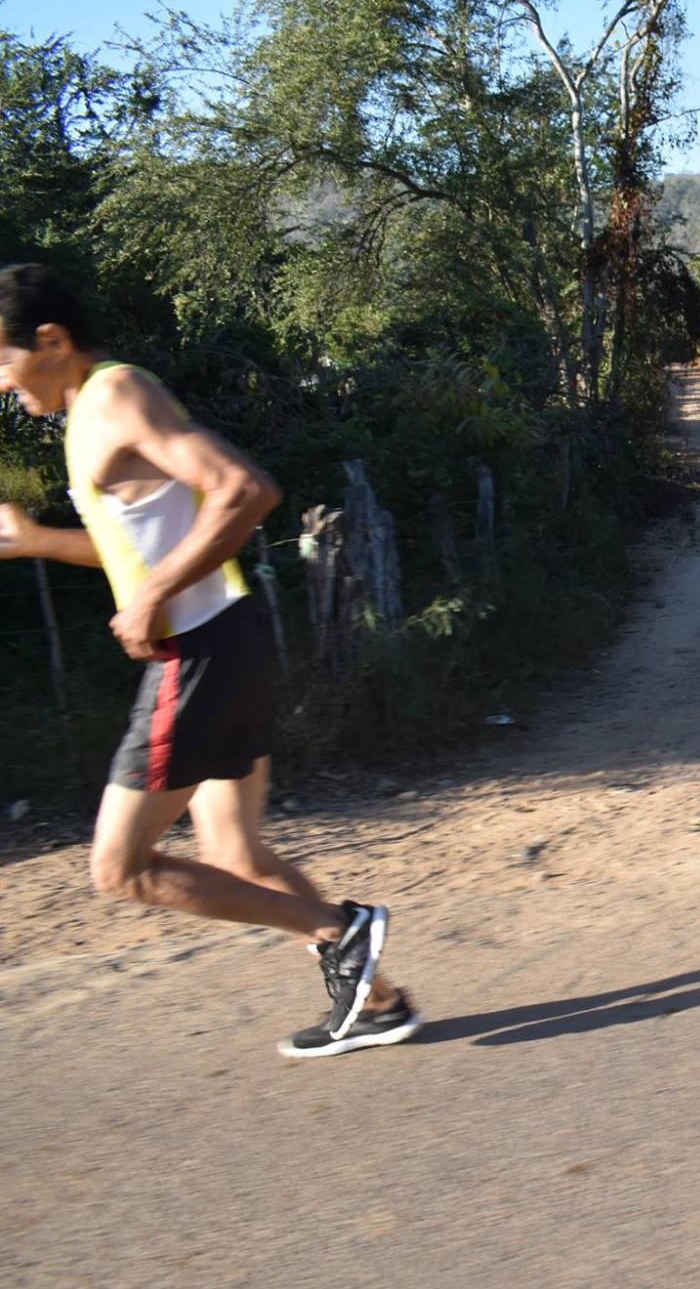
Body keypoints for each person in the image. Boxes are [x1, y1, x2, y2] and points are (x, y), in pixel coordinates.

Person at [0, 262, 416, 1058]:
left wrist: (153, 596)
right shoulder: (95, 408)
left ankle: (341, 929)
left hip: (194, 655)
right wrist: (36, 541)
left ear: (49, 339)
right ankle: (380, 1002)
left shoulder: (115, 396)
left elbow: (244, 489)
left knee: (120, 867)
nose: (0, 382)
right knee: (233, 853)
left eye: (2, 360)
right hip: (229, 636)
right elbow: (132, 545)